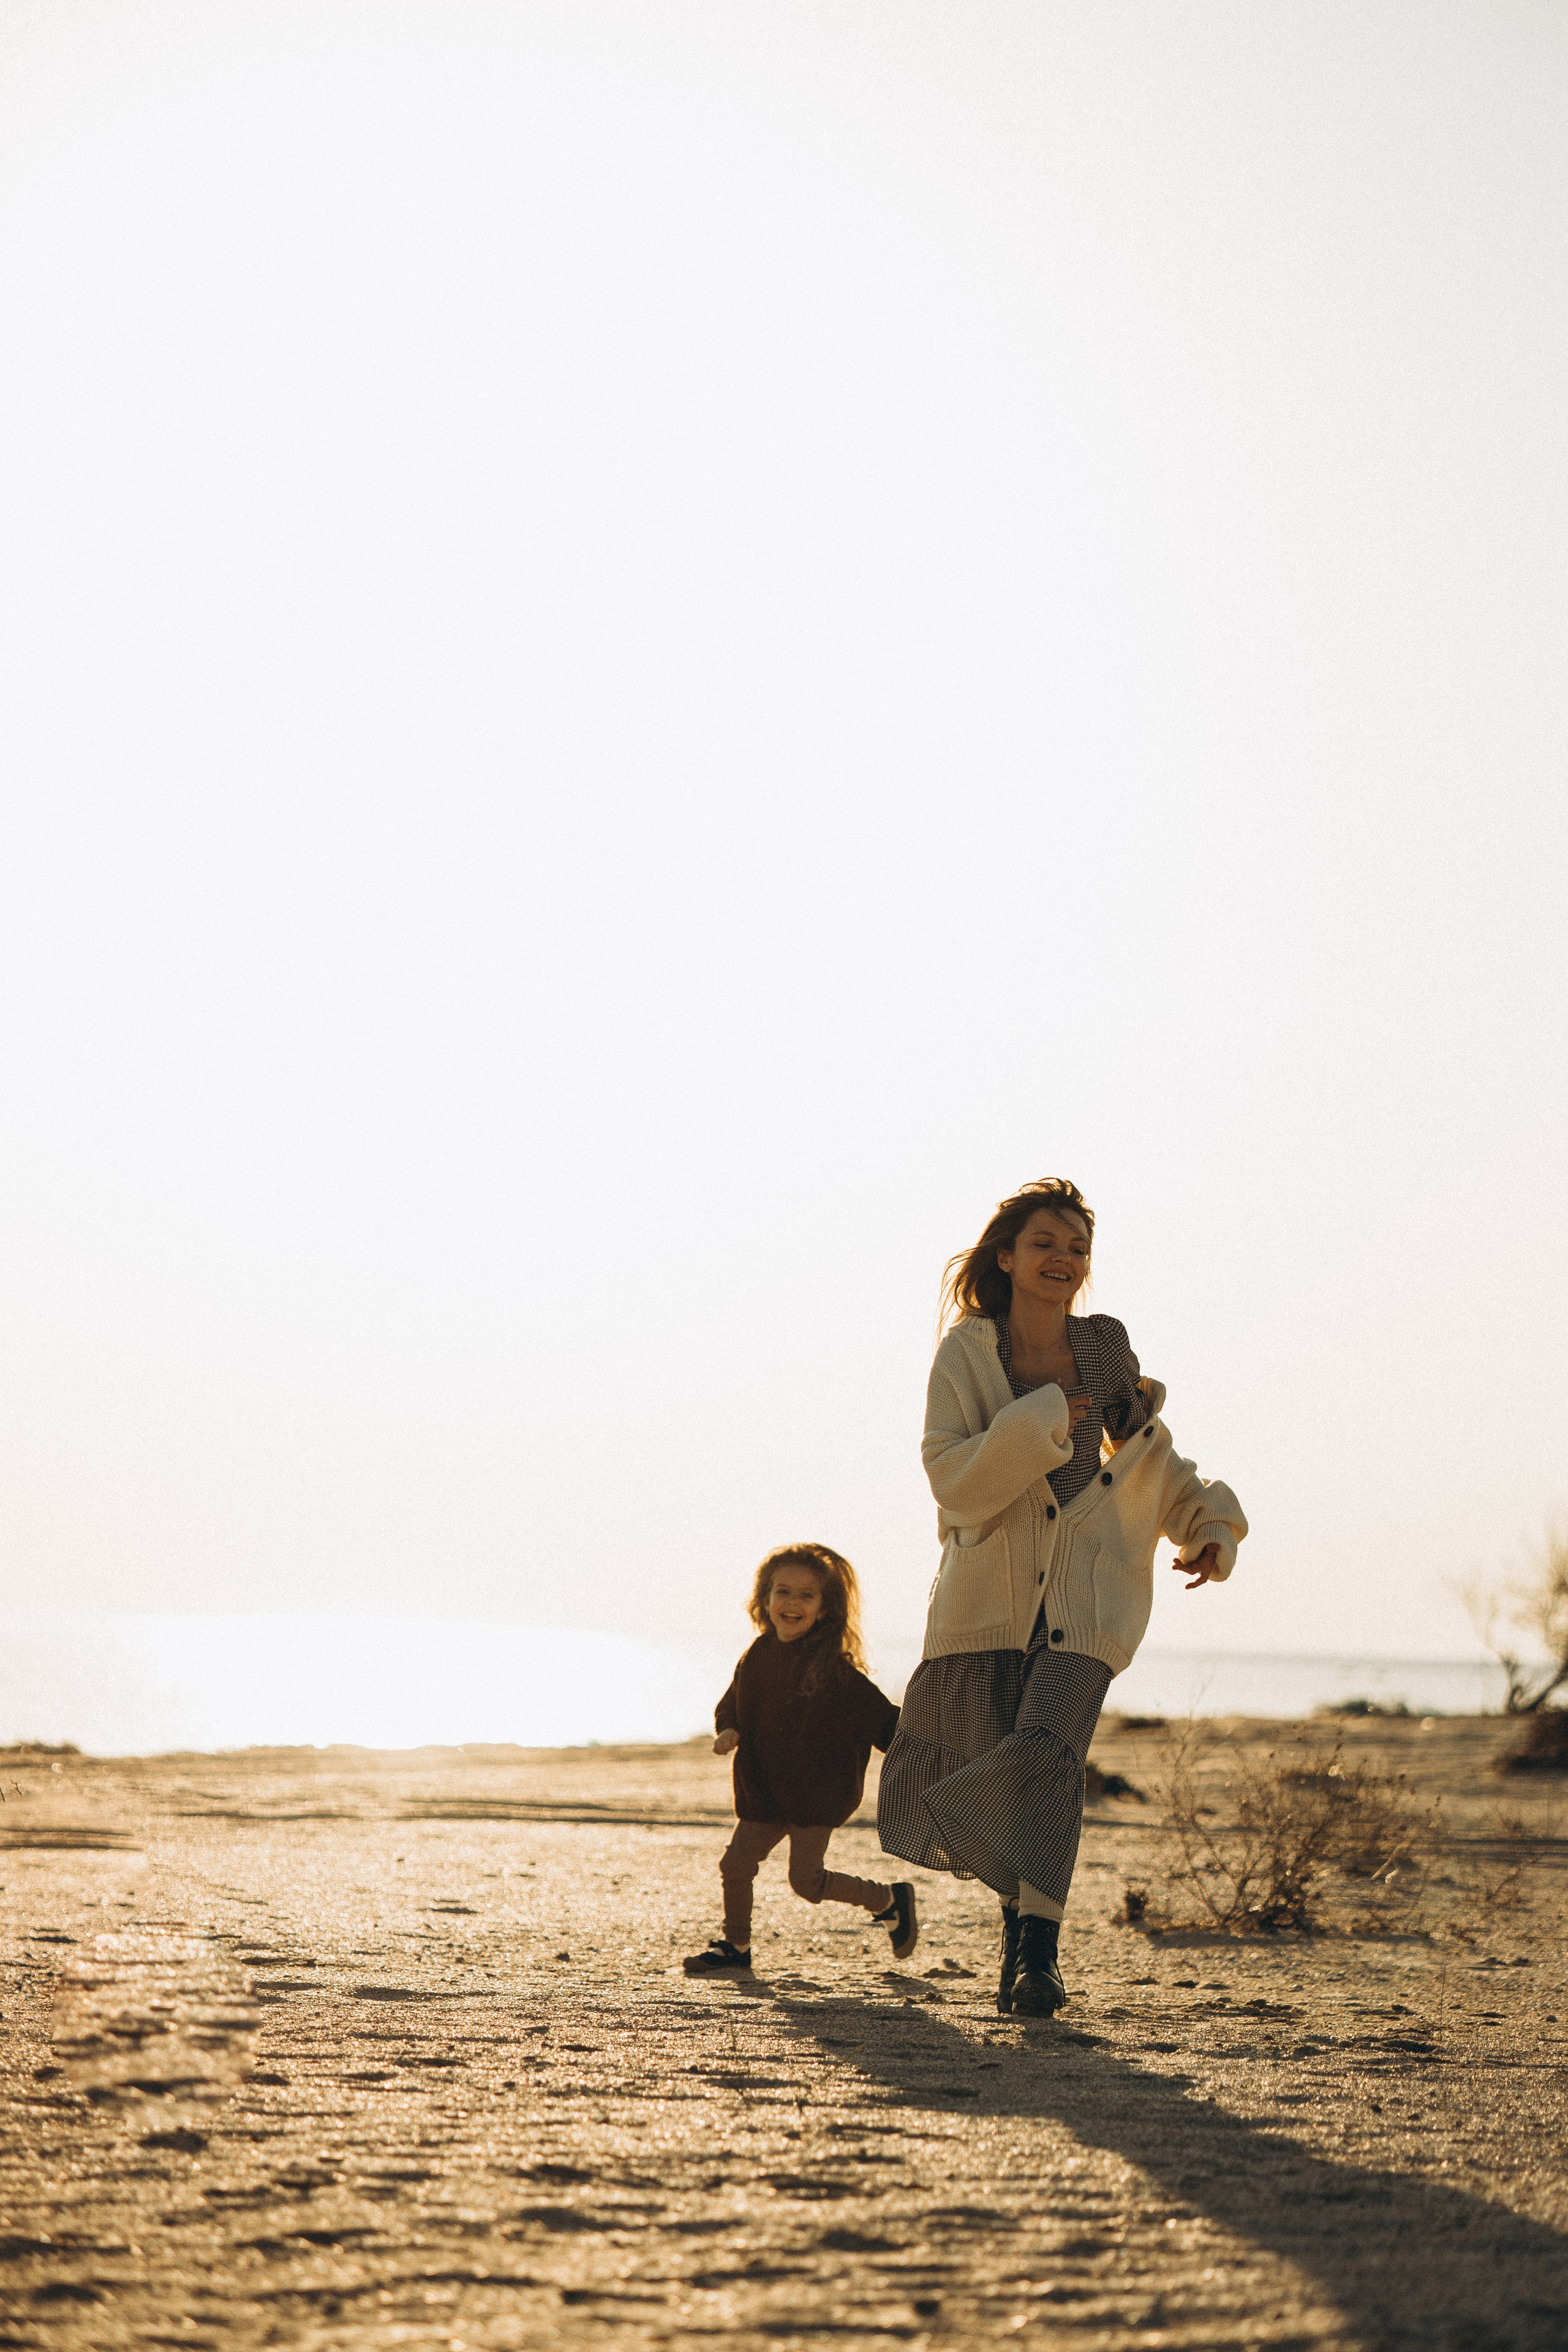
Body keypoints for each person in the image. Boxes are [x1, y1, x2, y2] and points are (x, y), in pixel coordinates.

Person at [876, 1178, 1246, 2018]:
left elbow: (1148, 1455)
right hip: (989, 1596)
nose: (1065, 1259)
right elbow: (952, 1480)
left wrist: (1207, 1526)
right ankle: (1019, 1953)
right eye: (1046, 1243)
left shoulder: (1102, 1347)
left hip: (1091, 1594)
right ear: (1006, 1257)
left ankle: (1039, 1958)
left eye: (1078, 1248)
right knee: (1021, 1777)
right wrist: (1044, 1418)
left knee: (1047, 1749)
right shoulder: (969, 1354)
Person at [684, 1542, 918, 1975]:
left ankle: (887, 1899)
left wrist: (928, 1746)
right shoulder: (757, 1655)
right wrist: (728, 1729)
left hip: (815, 1797)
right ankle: (736, 1946)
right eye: (783, 1592)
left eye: (806, 1595)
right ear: (765, 1599)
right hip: (763, 1790)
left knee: (806, 1882)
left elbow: (884, 1722)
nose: (792, 1603)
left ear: (824, 1608)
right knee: (735, 1865)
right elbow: (731, 1704)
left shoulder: (834, 1670)